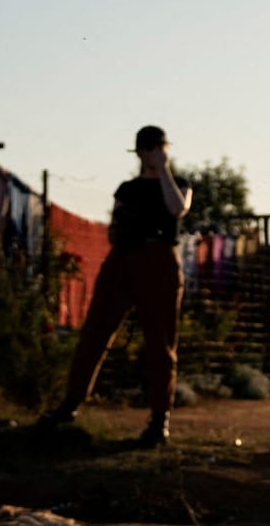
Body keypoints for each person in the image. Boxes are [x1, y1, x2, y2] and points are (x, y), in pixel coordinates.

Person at [39, 124, 188, 448]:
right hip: (123, 260)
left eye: (158, 147)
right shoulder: (127, 189)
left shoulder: (179, 185)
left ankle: (159, 420)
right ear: (138, 152)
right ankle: (70, 406)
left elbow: (177, 208)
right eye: (148, 148)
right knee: (95, 332)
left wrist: (163, 170)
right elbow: (115, 225)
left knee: (160, 342)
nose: (153, 153)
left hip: (160, 259)